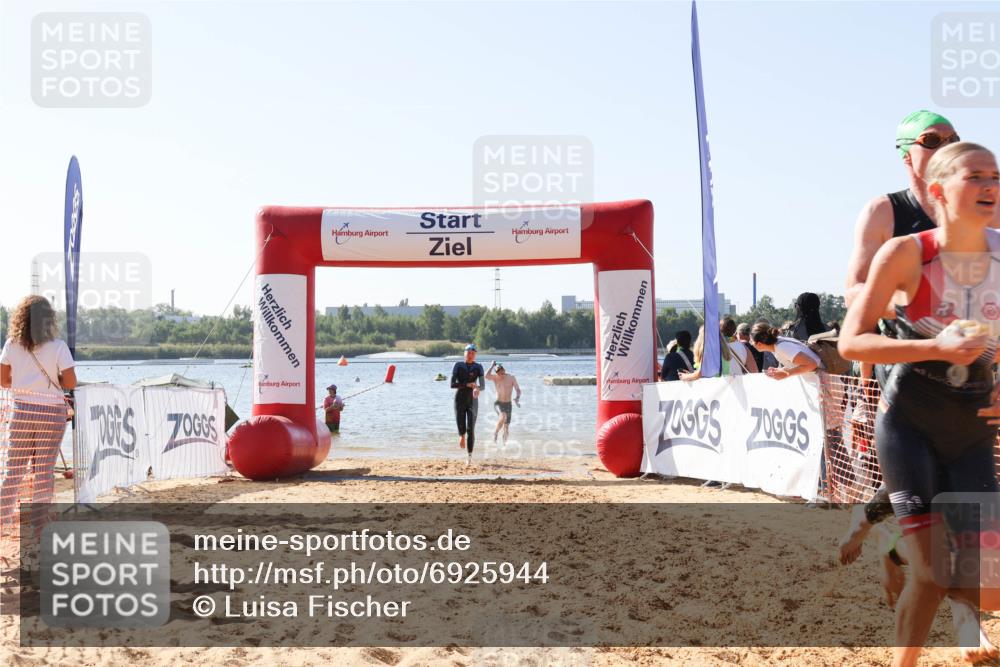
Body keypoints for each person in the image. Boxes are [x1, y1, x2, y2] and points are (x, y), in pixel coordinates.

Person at [838, 142, 1000, 667]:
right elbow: (851, 343)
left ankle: (893, 548)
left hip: (973, 431)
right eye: (975, 176)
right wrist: (935, 347)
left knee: (990, 587)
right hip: (909, 426)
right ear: (937, 191)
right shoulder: (908, 254)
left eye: (994, 175)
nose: (989, 185)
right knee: (930, 576)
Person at [0, 296, 76, 543]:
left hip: (21, 410)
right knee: (43, 471)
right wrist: (52, 384)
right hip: (50, 412)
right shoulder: (58, 346)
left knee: (13, 472)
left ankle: (2, 524)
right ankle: (39, 528)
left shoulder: (12, 344)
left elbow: (3, 379)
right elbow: (71, 382)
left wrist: (24, 384)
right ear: (48, 319)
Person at [450, 343, 485, 466]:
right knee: (461, 424)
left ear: (475, 355)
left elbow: (483, 386)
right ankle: (461, 435)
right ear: (464, 354)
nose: (470, 355)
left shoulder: (479, 367)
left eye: (473, 353)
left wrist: (477, 389)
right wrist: (467, 385)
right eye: (468, 353)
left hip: (472, 400)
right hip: (459, 399)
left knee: (471, 428)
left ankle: (469, 457)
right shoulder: (458, 365)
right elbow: (452, 384)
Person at [748, 323, 822, 379]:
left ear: (760, 344)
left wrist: (786, 373)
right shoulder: (777, 345)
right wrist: (780, 370)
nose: (751, 344)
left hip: (822, 379)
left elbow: (812, 364)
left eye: (751, 341)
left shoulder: (781, 347)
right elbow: (798, 364)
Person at [485, 361, 521, 445]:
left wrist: (517, 397)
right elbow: (486, 376)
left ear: (504, 370)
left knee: (506, 426)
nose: (500, 374)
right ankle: (495, 433)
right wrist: (491, 366)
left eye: (501, 371)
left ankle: (504, 445)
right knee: (503, 417)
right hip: (498, 403)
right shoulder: (495, 377)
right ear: (496, 373)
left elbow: (518, 390)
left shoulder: (511, 378)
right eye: (498, 372)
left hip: (508, 404)